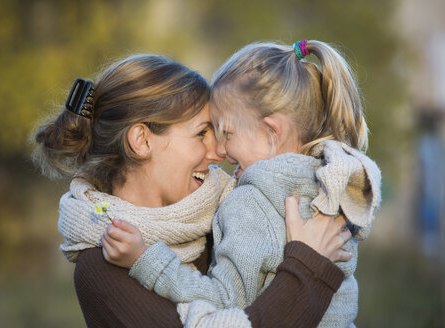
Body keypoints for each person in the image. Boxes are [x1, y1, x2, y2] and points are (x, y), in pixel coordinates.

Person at [33, 53, 352, 328]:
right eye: (202, 133)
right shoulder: (104, 265)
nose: (219, 153)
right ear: (142, 141)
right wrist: (309, 268)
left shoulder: (236, 208)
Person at [102, 41, 382, 328]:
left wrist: (146, 260)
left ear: (271, 132)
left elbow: (224, 300)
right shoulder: (332, 188)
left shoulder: (250, 202)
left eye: (226, 133)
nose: (220, 151)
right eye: (203, 133)